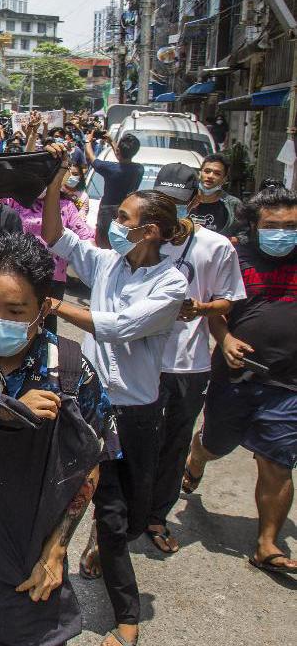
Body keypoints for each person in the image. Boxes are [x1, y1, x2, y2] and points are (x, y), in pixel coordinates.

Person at [0, 232, 118, 622]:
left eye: (15, 312)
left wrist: (57, 549)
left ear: (43, 307)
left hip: (28, 544)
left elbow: (91, 461)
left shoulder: (70, 371)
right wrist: (5, 413)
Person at [40, 142, 189, 646]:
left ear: (150, 231)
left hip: (138, 413)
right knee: (108, 509)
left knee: (132, 511)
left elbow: (117, 327)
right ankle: (127, 617)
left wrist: (55, 307)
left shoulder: (170, 284)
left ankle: (101, 549)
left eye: (123, 217)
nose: (114, 223)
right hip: (93, 408)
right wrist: (55, 181)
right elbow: (56, 237)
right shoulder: (107, 263)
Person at [182, 187, 297, 575]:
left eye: (292, 226)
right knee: (217, 445)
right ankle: (197, 457)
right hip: (236, 376)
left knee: (277, 463)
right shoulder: (237, 256)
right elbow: (216, 309)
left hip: (289, 384)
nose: (283, 233)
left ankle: (267, 544)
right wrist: (226, 339)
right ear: (255, 225)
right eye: (274, 226)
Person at [142, 164, 246, 555]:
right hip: (141, 359)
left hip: (188, 364)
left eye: (177, 203)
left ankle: (156, 516)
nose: (167, 210)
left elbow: (228, 299)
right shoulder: (139, 237)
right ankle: (118, 523)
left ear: (194, 202)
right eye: (161, 201)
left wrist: (201, 308)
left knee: (174, 442)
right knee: (131, 441)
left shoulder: (217, 246)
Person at [87, 132, 144, 248]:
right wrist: (112, 142)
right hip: (127, 211)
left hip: (107, 213)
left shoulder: (110, 168)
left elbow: (91, 157)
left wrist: (87, 140)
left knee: (103, 247)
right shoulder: (139, 169)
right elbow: (122, 159)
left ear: (118, 151)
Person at [186, 153, 244, 239]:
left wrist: (221, 243)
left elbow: (244, 235)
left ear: (224, 179)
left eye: (217, 173)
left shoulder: (233, 205)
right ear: (200, 173)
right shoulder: (185, 198)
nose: (210, 176)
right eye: (207, 171)